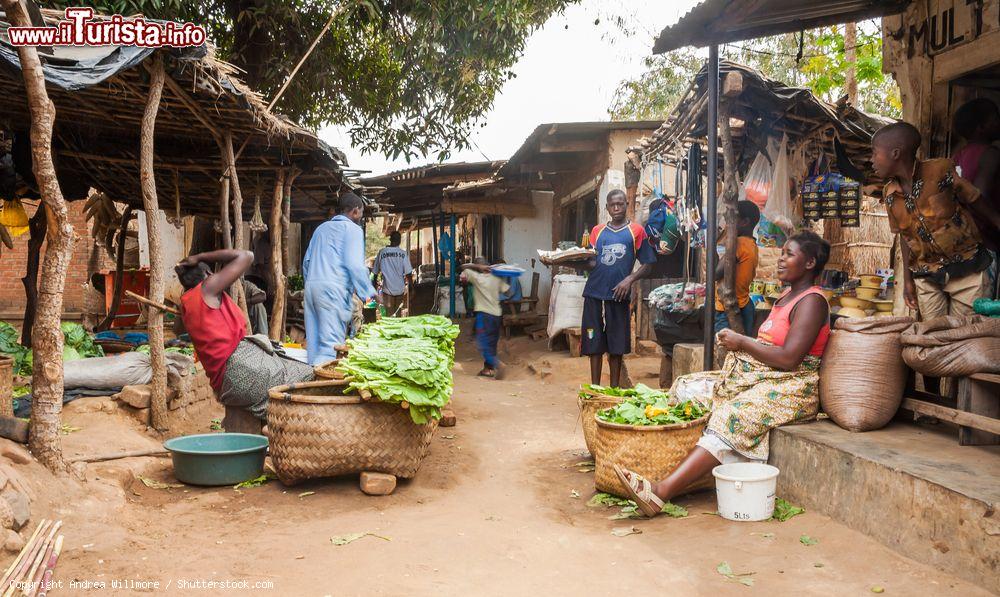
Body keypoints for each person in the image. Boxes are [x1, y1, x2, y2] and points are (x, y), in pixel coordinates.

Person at [613, 231, 831, 517]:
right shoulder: (787, 296)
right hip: (764, 376)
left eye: (789, 254)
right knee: (686, 387)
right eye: (782, 253)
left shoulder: (812, 302)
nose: (780, 260)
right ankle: (673, 467)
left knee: (731, 414)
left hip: (792, 386)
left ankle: (661, 492)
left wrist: (742, 342)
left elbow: (790, 359)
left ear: (810, 262)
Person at [871, 122, 1000, 320]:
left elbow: (974, 198)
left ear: (895, 154)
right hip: (927, 274)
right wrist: (907, 281)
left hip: (968, 268)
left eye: (874, 153)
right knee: (933, 334)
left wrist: (997, 221)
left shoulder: (940, 171)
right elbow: (905, 238)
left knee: (965, 335)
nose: (872, 160)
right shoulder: (889, 194)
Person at [175, 249, 314, 420]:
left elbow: (179, 330)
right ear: (208, 273)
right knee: (311, 374)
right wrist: (199, 256)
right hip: (240, 371)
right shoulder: (206, 289)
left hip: (225, 384)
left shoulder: (186, 303)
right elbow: (246, 256)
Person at [577, 189, 656, 387]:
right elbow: (592, 263)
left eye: (620, 204)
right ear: (607, 208)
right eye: (612, 205)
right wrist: (565, 261)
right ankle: (595, 388)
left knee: (616, 344)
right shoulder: (597, 231)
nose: (616, 208)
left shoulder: (637, 231)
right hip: (594, 293)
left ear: (626, 205)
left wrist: (630, 279)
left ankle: (614, 390)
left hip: (618, 296)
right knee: (592, 340)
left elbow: (648, 264)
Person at [302, 192, 376, 365]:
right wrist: (369, 292)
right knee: (331, 345)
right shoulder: (353, 230)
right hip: (333, 289)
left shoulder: (321, 228)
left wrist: (312, 284)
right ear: (356, 211)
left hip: (312, 288)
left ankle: (311, 383)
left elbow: (307, 262)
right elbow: (355, 265)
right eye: (362, 212)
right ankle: (326, 387)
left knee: (314, 344)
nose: (361, 216)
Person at [952, 98, 1000, 297]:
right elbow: (977, 194)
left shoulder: (956, 155)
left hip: (961, 240)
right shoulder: (991, 154)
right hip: (985, 241)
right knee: (981, 310)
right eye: (995, 118)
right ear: (981, 127)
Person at [714, 200, 761, 334]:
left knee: (724, 348)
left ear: (744, 222)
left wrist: (713, 242)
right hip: (745, 304)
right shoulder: (751, 244)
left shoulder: (738, 244)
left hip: (729, 309)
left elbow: (716, 273)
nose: (727, 224)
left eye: (732, 219)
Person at [460, 258, 509, 378]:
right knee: (492, 344)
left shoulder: (477, 278)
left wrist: (476, 267)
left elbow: (462, 267)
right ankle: (488, 369)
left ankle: (498, 365)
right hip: (497, 316)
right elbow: (507, 292)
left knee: (482, 344)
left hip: (484, 315)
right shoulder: (496, 279)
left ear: (480, 268)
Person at [374, 230, 413, 317]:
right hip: (400, 289)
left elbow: (375, 273)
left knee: (389, 315)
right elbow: (408, 274)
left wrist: (374, 288)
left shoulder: (382, 252)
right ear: (399, 241)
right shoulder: (403, 254)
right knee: (398, 315)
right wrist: (412, 287)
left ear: (390, 239)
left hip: (387, 290)